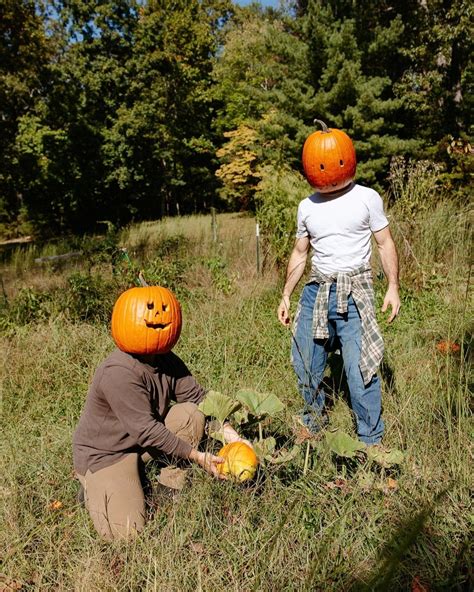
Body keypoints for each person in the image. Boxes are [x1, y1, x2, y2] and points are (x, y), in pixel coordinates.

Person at [73, 288, 246, 541]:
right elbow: (147, 430)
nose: (158, 315)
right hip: (108, 455)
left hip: (143, 443)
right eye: (150, 308)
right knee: (127, 533)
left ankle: (168, 486)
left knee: (190, 414)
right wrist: (198, 456)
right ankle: (91, 486)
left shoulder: (165, 358)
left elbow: (198, 397)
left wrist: (234, 437)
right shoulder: (118, 372)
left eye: (165, 308)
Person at [277, 128, 400, 445]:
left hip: (354, 291)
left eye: (333, 160)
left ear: (348, 158)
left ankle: (371, 440)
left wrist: (393, 287)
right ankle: (313, 425)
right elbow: (300, 253)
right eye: (317, 163)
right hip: (316, 292)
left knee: (360, 371)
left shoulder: (366, 198)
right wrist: (286, 295)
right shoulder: (307, 206)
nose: (326, 169)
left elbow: (385, 243)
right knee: (306, 365)